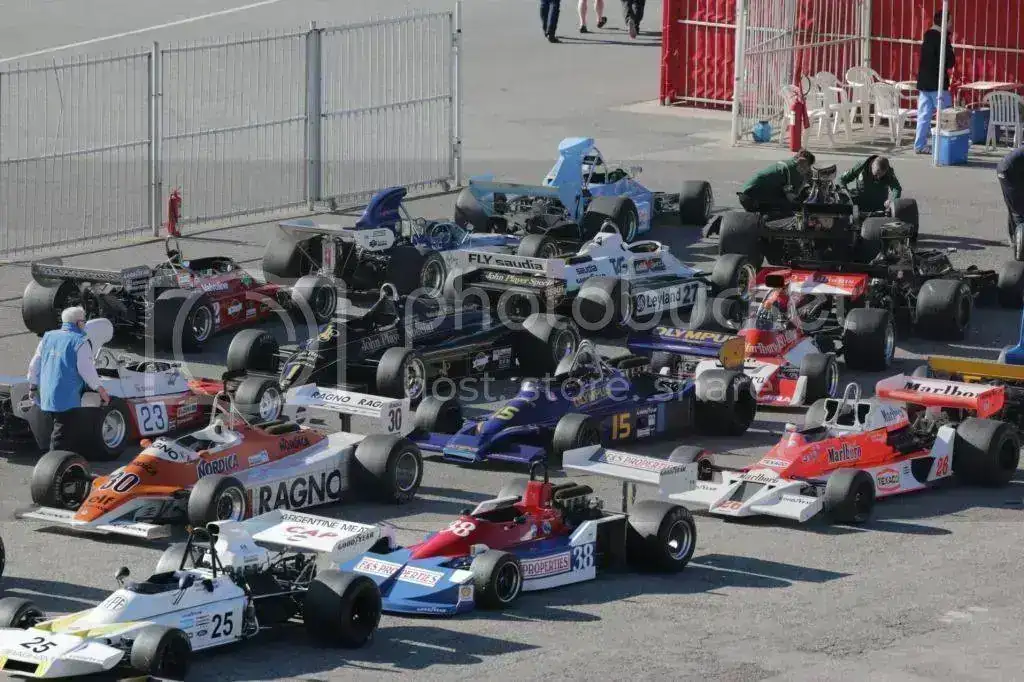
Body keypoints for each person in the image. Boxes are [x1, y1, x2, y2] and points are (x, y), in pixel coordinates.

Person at [27, 306, 110, 451]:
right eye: (83, 321)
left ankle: (57, 458)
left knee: (55, 429)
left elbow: (35, 364)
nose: (84, 324)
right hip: (66, 396)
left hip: (46, 393)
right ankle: (56, 461)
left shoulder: (48, 337)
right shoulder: (80, 341)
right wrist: (101, 390)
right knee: (62, 435)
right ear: (78, 323)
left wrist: (33, 386)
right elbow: (86, 370)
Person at [914, 12, 956, 154]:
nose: (952, 24)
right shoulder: (942, 37)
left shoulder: (927, 35)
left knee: (923, 116)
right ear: (945, 22)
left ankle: (919, 145)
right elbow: (950, 61)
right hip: (938, 83)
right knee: (947, 116)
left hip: (924, 83)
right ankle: (946, 146)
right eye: (950, 21)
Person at [738, 149, 816, 216]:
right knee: (792, 207)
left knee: (783, 199)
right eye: (808, 166)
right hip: (752, 197)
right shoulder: (793, 170)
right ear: (802, 162)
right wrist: (805, 181)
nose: (808, 170)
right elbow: (791, 197)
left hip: (746, 195)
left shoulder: (787, 164)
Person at [997, 146, 1024, 256]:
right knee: (1018, 210)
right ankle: (1019, 248)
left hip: (1010, 170)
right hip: (1008, 172)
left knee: (1014, 206)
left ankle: (1014, 238)